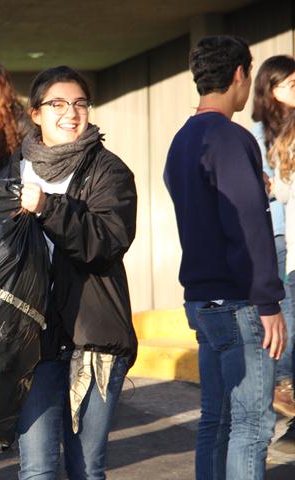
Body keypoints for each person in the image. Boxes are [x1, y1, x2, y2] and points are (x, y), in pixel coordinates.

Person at [3, 66, 137, 479]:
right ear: (36, 113)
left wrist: (48, 208)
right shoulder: (12, 171)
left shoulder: (109, 171)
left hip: (92, 342)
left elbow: (105, 243)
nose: (71, 112)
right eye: (57, 104)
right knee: (37, 469)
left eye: (80, 103)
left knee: (85, 469)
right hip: (31, 342)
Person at [164, 35, 287, 479]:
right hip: (238, 303)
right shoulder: (229, 137)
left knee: (216, 421)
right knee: (252, 427)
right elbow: (249, 226)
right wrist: (270, 302)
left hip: (201, 300)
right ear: (240, 74)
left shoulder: (182, 139)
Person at [251, 54, 295, 451]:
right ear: (270, 88)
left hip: (289, 235)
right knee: (286, 316)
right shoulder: (254, 132)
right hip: (275, 237)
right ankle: (283, 384)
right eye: (289, 85)